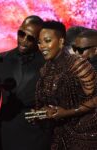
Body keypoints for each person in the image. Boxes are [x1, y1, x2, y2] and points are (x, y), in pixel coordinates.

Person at [0, 15, 53, 150]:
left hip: (35, 135)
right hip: (4, 131)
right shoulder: (2, 59)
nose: (23, 40)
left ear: (38, 40)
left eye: (30, 38)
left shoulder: (48, 63)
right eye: (21, 34)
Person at [32, 20, 97, 150]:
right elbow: (54, 102)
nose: (42, 46)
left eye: (47, 41)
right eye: (39, 42)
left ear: (61, 42)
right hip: (59, 136)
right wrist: (42, 112)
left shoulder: (77, 64)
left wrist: (67, 113)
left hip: (85, 137)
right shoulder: (45, 69)